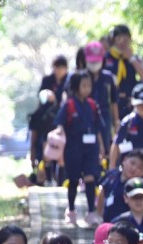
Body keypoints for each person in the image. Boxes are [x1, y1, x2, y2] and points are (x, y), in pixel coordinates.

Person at [60, 70, 105, 227]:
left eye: (89, 85)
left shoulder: (93, 105)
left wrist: (101, 148)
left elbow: (98, 128)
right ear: (76, 86)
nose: (87, 89)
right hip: (73, 149)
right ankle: (71, 211)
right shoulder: (69, 105)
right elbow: (60, 126)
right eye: (84, 85)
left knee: (90, 178)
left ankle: (91, 212)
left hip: (91, 149)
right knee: (73, 180)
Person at [104, 24, 143, 120]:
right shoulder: (106, 57)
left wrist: (131, 59)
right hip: (111, 103)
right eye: (119, 37)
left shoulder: (135, 58)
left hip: (130, 104)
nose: (122, 41)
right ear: (113, 39)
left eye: (126, 38)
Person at [96, 148, 143, 223]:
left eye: (139, 167)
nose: (134, 168)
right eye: (132, 163)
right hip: (107, 223)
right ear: (125, 160)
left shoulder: (140, 187)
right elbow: (102, 192)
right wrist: (99, 213)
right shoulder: (111, 175)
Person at [84, 41, 120, 153]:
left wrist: (116, 121)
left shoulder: (108, 78)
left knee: (106, 145)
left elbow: (114, 101)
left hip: (104, 115)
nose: (94, 64)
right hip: (85, 114)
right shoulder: (80, 77)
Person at [29, 90, 61, 185]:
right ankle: (46, 179)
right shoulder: (37, 116)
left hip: (57, 147)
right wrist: (33, 155)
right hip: (42, 147)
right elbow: (33, 137)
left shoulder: (58, 113)